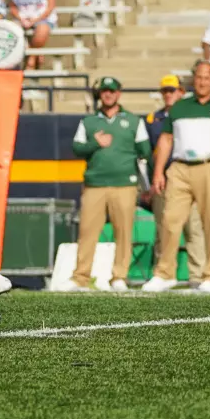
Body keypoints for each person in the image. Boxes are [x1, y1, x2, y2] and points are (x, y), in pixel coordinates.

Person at [145, 61, 210, 293]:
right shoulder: (179, 107)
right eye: (198, 77)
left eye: (206, 78)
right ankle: (165, 273)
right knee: (169, 219)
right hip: (179, 168)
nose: (202, 82)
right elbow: (166, 139)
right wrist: (158, 171)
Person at [61, 77, 149, 293]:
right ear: (100, 94)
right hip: (95, 184)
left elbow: (145, 150)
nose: (108, 94)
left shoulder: (134, 121)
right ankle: (80, 277)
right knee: (87, 232)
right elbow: (77, 149)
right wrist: (95, 144)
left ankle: (120, 276)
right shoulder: (89, 122)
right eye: (105, 91)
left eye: (112, 91)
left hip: (124, 184)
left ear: (118, 93)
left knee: (124, 232)